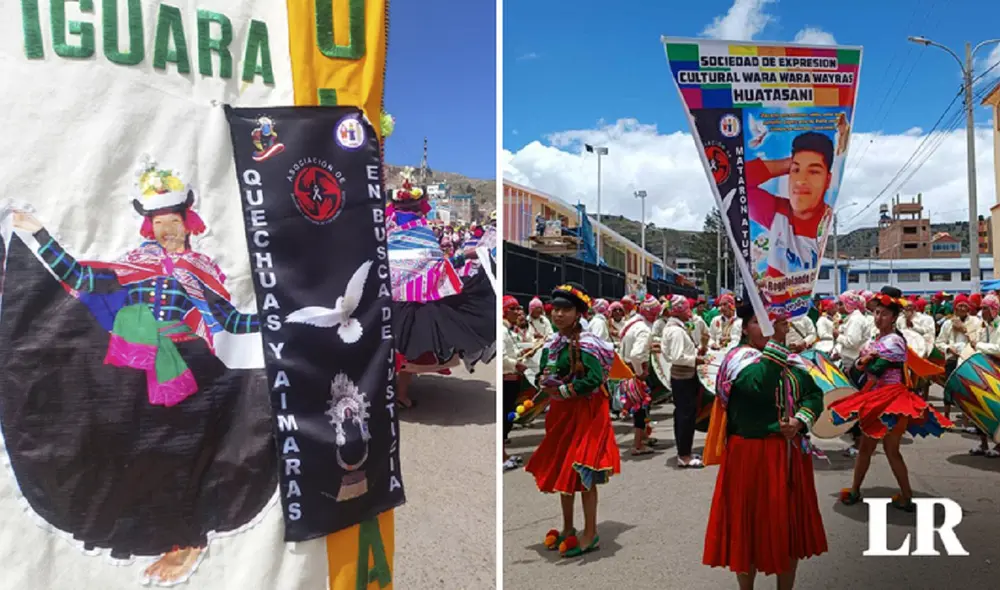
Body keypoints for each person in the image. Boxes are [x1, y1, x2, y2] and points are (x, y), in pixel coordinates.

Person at [703, 305, 827, 589]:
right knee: (749, 530)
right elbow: (759, 387)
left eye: (774, 322)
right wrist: (777, 348)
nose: (770, 327)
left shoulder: (792, 362)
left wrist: (799, 420)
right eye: (761, 322)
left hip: (789, 454)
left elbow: (813, 394)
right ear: (745, 328)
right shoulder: (739, 361)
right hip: (751, 455)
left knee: (789, 529)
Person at [830, 287, 953, 510]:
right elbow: (857, 370)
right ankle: (868, 491)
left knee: (885, 449)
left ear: (895, 317)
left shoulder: (894, 342)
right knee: (872, 447)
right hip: (877, 397)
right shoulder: (877, 341)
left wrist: (865, 360)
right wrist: (864, 361)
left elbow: (875, 370)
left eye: (884, 314)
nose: (879, 317)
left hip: (892, 400)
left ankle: (897, 495)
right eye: (876, 312)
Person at [526, 283, 620, 558]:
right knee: (562, 471)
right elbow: (544, 371)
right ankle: (568, 527)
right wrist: (542, 383)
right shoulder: (553, 344)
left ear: (578, 313)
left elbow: (594, 378)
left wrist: (565, 390)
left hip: (585, 414)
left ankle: (590, 532)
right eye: (555, 309)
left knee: (584, 470)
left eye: (566, 310)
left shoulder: (589, 344)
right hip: (560, 414)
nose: (558, 315)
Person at [388, 172, 496, 409]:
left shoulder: (385, 228)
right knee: (407, 349)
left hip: (386, 299)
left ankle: (389, 392)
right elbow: (436, 266)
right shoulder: (424, 230)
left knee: (389, 346)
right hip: (414, 301)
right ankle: (400, 393)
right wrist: (461, 257)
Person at [747, 125, 846, 277]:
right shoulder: (777, 213)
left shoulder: (826, 220)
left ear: (828, 180)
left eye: (813, 171)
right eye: (795, 171)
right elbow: (737, 181)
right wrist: (787, 164)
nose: (800, 181)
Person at [661, 295, 707, 468]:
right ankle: (684, 455)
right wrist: (697, 360)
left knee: (682, 414)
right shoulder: (676, 331)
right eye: (687, 309)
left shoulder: (675, 328)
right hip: (684, 377)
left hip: (682, 376)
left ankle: (684, 450)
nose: (691, 312)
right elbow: (678, 356)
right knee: (685, 415)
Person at [619, 295, 660, 455]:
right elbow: (636, 355)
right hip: (635, 371)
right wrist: (640, 373)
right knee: (640, 408)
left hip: (627, 369)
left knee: (641, 407)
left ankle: (643, 437)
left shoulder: (633, 323)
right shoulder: (643, 329)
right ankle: (637, 445)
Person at [935, 293, 982, 425]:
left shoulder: (975, 322)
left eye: (964, 306)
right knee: (949, 389)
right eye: (959, 305)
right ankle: (946, 418)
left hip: (968, 360)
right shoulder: (947, 323)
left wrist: (963, 329)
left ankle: (967, 420)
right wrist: (949, 349)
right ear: (955, 307)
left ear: (968, 308)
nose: (962, 308)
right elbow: (939, 342)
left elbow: (976, 340)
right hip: (951, 359)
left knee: (966, 391)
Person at [972, 294, 1000, 457]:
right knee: (980, 407)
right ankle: (983, 443)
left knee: (996, 410)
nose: (982, 311)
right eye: (981, 308)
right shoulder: (984, 327)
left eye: (985, 308)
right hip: (984, 370)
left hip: (997, 371)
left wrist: (979, 345)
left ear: (993, 309)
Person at [502, 296, 527, 471]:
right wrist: (516, 364)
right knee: (504, 417)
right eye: (514, 309)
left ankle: (504, 454)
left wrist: (521, 353)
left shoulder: (509, 330)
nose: (518, 312)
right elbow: (503, 358)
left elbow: (511, 351)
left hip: (513, 379)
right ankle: (502, 456)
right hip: (507, 379)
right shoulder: (503, 331)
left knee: (508, 416)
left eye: (519, 308)